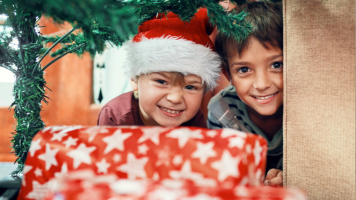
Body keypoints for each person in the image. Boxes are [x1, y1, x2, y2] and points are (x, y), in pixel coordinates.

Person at [97, 8, 221, 128]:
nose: (175, 98)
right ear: (134, 79)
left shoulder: (193, 118)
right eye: (161, 82)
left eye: (190, 87)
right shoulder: (115, 116)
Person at [207, 1, 284, 187]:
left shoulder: (309, 104)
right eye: (243, 69)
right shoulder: (222, 110)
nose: (262, 84)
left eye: (276, 65)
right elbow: (226, 173)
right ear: (228, 75)